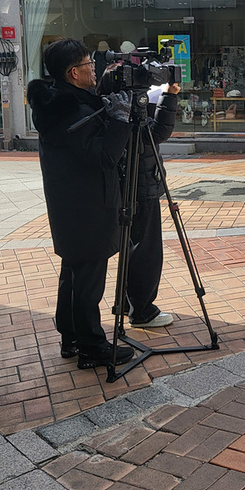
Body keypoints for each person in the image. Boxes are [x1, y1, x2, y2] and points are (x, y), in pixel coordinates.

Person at [26, 38, 135, 370]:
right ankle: (92, 346)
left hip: (70, 204)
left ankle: (71, 337)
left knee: (73, 272)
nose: (95, 69)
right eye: (89, 64)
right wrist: (120, 121)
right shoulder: (73, 112)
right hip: (88, 205)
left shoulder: (57, 105)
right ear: (73, 72)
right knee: (89, 277)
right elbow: (103, 158)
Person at [95, 63, 180, 328]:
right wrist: (169, 96)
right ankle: (142, 311)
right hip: (142, 186)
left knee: (132, 247)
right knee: (146, 250)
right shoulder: (126, 111)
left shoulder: (109, 108)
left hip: (125, 187)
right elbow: (158, 133)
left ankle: (127, 303)